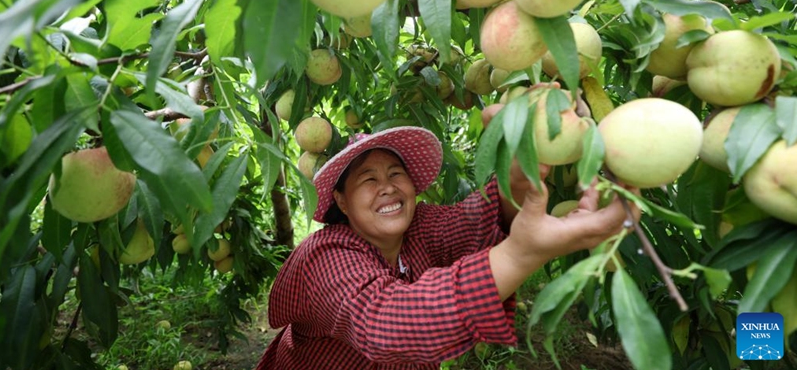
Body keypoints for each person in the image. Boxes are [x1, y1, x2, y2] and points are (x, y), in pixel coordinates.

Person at [255, 111, 639, 369]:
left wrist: (520, 177)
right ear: (341, 200)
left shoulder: (419, 227)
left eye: (396, 174)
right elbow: (388, 321)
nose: (387, 188)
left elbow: (472, 219)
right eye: (368, 179)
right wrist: (524, 251)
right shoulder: (326, 256)